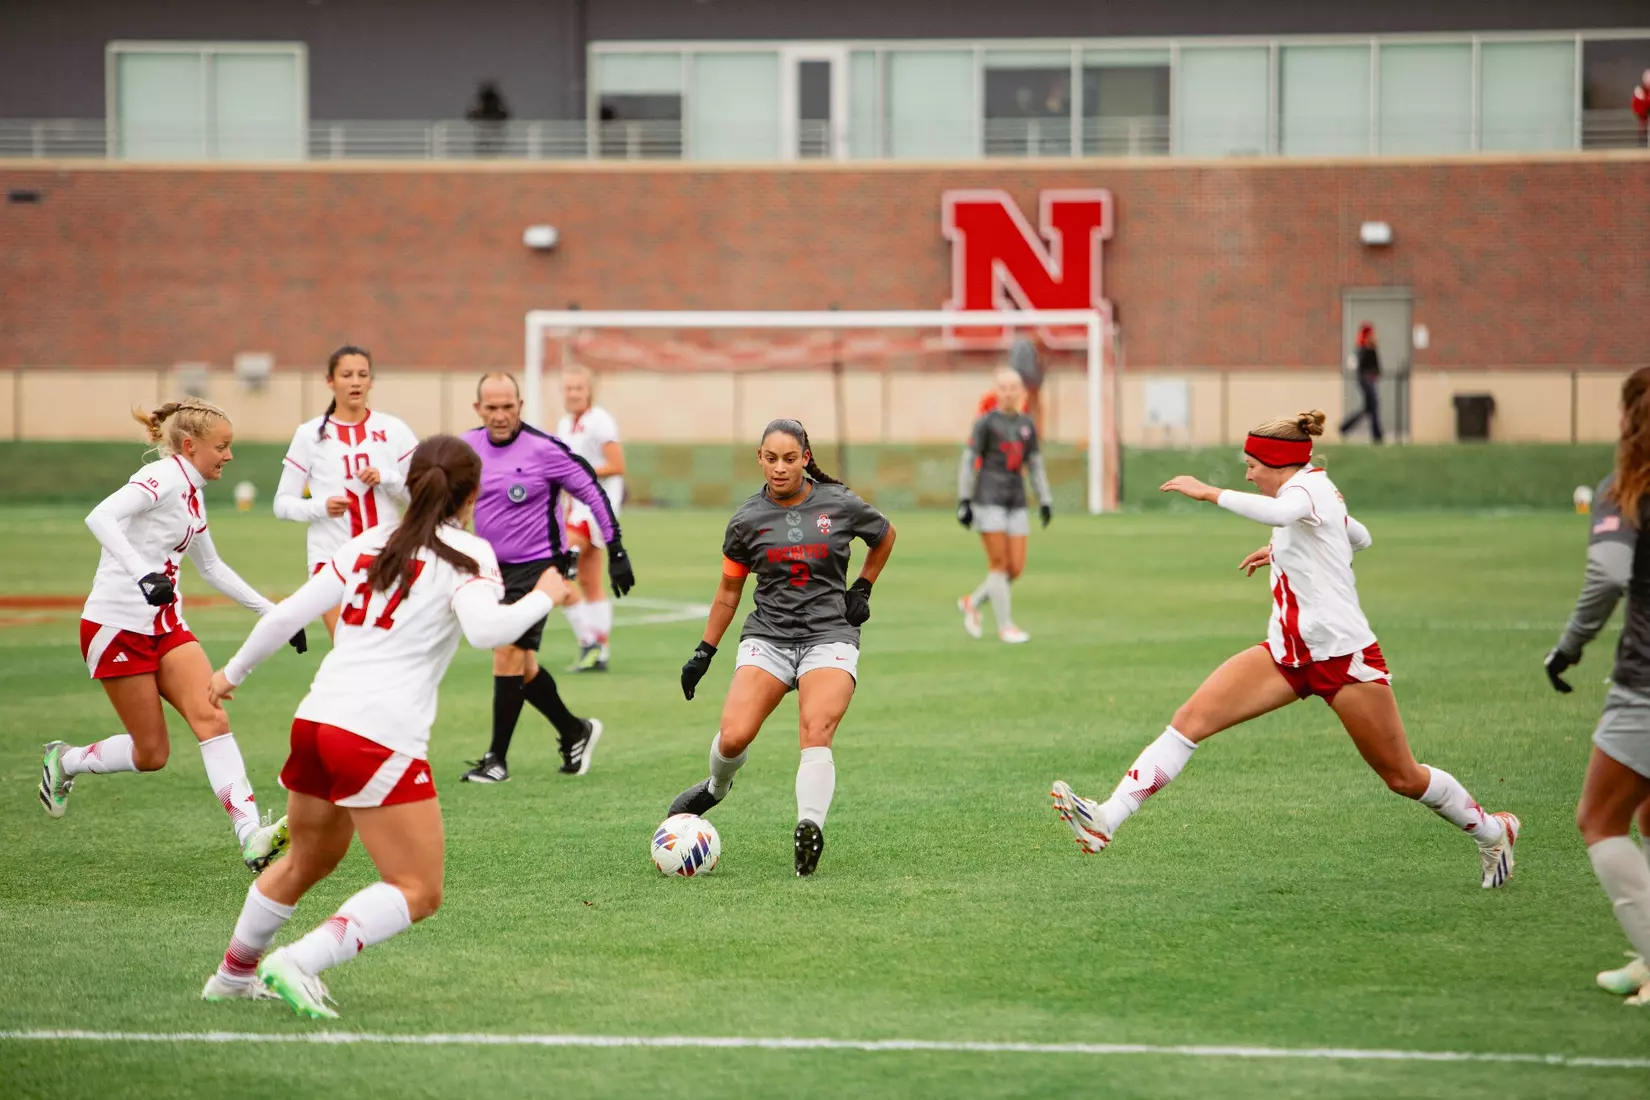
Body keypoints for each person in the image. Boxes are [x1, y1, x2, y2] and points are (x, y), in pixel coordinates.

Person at [1050, 409, 1522, 891]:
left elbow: (1291, 516)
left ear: (1278, 464)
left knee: (1402, 777)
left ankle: (1493, 830)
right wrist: (1285, 550)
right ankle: (1106, 818)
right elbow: (1358, 536)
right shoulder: (1311, 490)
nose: (1248, 474)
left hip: (1342, 659)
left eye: (1252, 465)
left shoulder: (1305, 491)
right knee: (1189, 723)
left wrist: (1209, 492)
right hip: (1287, 655)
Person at [198, 435, 570, 1014]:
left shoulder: (369, 541)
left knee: (307, 860)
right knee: (418, 889)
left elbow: (290, 613)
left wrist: (231, 672)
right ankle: (299, 960)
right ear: (471, 494)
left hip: (316, 721)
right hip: (376, 735)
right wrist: (546, 594)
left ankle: (230, 976)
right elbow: (488, 632)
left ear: (411, 481)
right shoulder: (469, 555)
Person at [38, 399, 300, 873]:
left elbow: (212, 567)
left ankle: (250, 838)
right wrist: (141, 573)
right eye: (222, 447)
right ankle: (66, 760)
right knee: (152, 753)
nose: (229, 456)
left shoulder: (194, 492)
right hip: (116, 629)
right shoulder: (162, 478)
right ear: (189, 445)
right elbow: (100, 516)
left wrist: (277, 615)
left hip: (166, 628)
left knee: (212, 717)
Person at [670, 418, 896, 877]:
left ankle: (809, 828)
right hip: (768, 638)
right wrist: (703, 652)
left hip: (830, 634)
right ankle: (716, 787)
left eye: (789, 459)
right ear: (759, 459)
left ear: (805, 458)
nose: (779, 468)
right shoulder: (746, 520)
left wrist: (863, 587)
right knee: (734, 736)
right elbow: (729, 593)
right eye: (771, 459)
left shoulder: (839, 502)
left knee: (816, 730)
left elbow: (885, 535)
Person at [458, 373, 634, 784]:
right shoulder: (466, 448)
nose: (500, 415)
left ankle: (496, 759)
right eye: (491, 408)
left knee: (507, 654)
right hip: (490, 570)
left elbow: (592, 489)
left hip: (540, 568)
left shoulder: (544, 449)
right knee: (523, 666)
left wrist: (617, 550)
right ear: (478, 409)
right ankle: (575, 731)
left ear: (519, 406)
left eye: (507, 407)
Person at [1546, 366, 1650, 1005]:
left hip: (1645, 684)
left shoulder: (1627, 488)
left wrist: (1568, 648)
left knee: (1599, 818)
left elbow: (1608, 576)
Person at [275, 346, 420, 638]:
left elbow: (419, 497)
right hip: (329, 557)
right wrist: (321, 507)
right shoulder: (310, 434)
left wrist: (387, 478)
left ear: (371, 381)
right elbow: (282, 504)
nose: (355, 382)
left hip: (384, 557)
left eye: (362, 375)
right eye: (347, 375)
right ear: (330, 381)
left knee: (385, 653)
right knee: (347, 650)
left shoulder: (394, 430)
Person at [956, 368, 1052, 644]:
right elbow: (968, 461)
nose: (1009, 392)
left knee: (1015, 568)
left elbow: (1034, 463)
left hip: (1017, 500)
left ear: (1021, 392)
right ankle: (1006, 626)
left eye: (1014, 387)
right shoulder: (986, 424)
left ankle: (972, 602)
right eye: (1004, 387)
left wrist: (1045, 498)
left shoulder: (1027, 424)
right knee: (998, 564)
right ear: (996, 391)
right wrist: (965, 499)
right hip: (988, 499)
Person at [555, 365, 626, 672]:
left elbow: (617, 464)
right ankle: (601, 652)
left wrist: (579, 474)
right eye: (568, 389)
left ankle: (589, 642)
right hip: (576, 507)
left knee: (555, 568)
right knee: (589, 580)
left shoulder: (600, 421)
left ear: (589, 392)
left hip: (596, 508)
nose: (573, 394)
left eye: (578, 389)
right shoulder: (565, 424)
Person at [1338, 322, 1383, 443]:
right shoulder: (1364, 349)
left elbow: (1377, 368)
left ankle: (1344, 427)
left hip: (1369, 381)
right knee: (1373, 407)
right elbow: (1361, 367)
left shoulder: (1371, 348)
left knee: (1369, 408)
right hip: (1366, 381)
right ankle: (1377, 436)